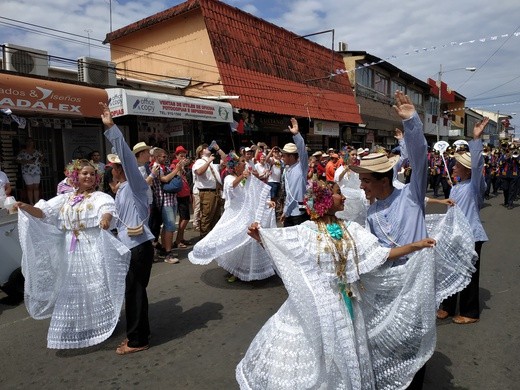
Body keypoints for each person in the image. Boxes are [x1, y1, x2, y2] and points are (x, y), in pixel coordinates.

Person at [237, 180, 476, 389]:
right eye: (339, 192)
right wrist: (261, 237)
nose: (345, 196)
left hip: (347, 304)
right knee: (317, 358)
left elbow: (380, 254)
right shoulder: (305, 231)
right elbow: (282, 249)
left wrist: (415, 246)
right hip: (316, 306)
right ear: (325, 200)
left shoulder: (352, 228)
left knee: (346, 356)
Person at [350, 90, 429, 389]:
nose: (362, 185)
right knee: (394, 337)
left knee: (415, 340)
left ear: (384, 179)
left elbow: (419, 157)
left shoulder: (411, 196)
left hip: (417, 282)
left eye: (366, 180)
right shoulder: (371, 213)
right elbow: (376, 253)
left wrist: (412, 122)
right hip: (389, 287)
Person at [15, 159, 130, 349]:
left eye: (92, 174)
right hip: (70, 248)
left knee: (95, 283)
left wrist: (105, 219)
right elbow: (44, 212)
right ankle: (82, 322)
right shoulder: (65, 199)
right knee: (74, 284)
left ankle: (103, 320)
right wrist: (26, 207)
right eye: (85, 173)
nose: (89, 177)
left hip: (92, 245)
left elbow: (107, 209)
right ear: (75, 175)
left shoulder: (99, 196)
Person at [101, 102, 156, 355]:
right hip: (131, 246)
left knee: (134, 293)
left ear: (119, 168)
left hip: (138, 246)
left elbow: (126, 156)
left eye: (115, 165)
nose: (113, 168)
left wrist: (113, 129)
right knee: (134, 291)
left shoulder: (135, 183)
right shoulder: (123, 189)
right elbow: (117, 220)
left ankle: (137, 340)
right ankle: (138, 334)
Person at [189, 154, 276, 283]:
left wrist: (267, 202)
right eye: (241, 162)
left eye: (244, 162)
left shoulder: (246, 177)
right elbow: (231, 187)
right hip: (235, 214)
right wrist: (242, 177)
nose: (244, 164)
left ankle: (243, 270)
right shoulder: (230, 178)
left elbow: (253, 194)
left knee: (247, 242)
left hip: (246, 214)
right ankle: (234, 269)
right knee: (232, 241)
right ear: (235, 167)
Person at [437, 118, 489, 324]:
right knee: (451, 268)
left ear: (468, 170)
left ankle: (470, 312)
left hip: (471, 235)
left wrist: (475, 139)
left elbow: (478, 165)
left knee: (469, 273)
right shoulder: (457, 186)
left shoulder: (475, 186)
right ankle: (447, 306)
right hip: (454, 234)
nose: (454, 166)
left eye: (458, 164)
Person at [192, 142, 227, 236]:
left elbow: (226, 159)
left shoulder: (212, 161)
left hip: (215, 191)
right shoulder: (199, 161)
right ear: (201, 151)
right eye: (205, 148)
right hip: (207, 192)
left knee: (216, 216)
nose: (208, 149)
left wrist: (218, 149)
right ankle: (203, 237)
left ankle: (212, 237)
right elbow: (199, 172)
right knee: (206, 217)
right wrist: (208, 161)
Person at [280, 117, 309, 227]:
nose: (282, 158)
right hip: (289, 213)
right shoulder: (287, 170)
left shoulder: (301, 167)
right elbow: (289, 195)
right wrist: (285, 211)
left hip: (300, 213)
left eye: (284, 155)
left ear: (291, 156)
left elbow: (303, 152)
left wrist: (297, 134)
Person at [170, 145, 192, 249]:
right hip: (180, 195)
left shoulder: (181, 166)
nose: (183, 158)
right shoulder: (174, 165)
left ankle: (181, 238)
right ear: (177, 156)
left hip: (185, 194)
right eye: (181, 156)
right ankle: (178, 240)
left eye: (184, 156)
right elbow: (175, 178)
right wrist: (180, 166)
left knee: (183, 218)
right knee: (185, 218)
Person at [16, 138, 43, 204]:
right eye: (28, 142)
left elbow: (42, 156)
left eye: (31, 142)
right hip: (26, 171)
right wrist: (25, 161)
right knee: (30, 187)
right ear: (26, 143)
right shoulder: (23, 152)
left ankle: (36, 202)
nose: (30, 143)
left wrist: (39, 162)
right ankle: (31, 203)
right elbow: (17, 160)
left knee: (36, 187)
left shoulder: (36, 151)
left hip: (36, 170)